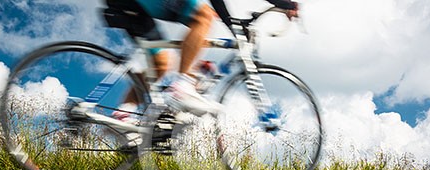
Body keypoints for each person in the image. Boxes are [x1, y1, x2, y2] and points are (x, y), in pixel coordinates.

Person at [103, 0, 299, 120]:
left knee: (160, 65)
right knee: (203, 16)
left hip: (129, 4)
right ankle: (182, 89)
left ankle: (123, 116)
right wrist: (285, 4)